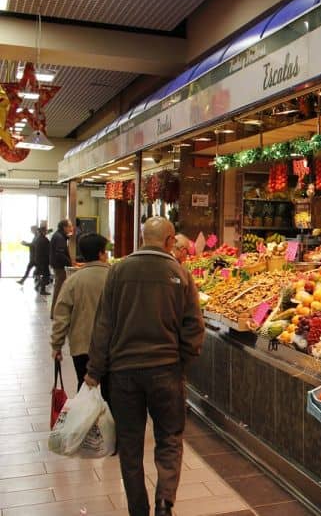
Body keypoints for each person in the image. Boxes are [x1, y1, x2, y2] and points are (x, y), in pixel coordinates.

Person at [86, 216, 205, 516]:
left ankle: (137, 510)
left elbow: (104, 325)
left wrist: (94, 371)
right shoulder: (180, 273)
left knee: (129, 444)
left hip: (124, 374)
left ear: (142, 238)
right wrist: (183, 360)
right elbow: (194, 326)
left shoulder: (118, 271)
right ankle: (165, 501)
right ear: (169, 242)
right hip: (166, 370)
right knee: (169, 438)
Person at [51, 233, 110, 393]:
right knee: (109, 391)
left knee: (84, 387)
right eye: (106, 251)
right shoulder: (115, 277)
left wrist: (57, 345)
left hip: (81, 345)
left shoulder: (73, 281)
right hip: (110, 347)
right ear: (100, 253)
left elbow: (61, 315)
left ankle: (85, 417)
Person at [49, 219, 74, 318]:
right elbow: (59, 254)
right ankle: (55, 313)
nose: (72, 228)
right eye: (70, 226)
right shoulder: (59, 237)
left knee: (59, 288)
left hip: (58, 266)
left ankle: (55, 312)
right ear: (65, 227)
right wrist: (70, 262)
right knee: (58, 289)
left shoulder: (60, 236)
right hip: (59, 267)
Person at [33, 224, 51, 296]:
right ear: (43, 231)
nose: (46, 232)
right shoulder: (44, 240)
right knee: (46, 275)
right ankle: (42, 290)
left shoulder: (38, 239)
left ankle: (37, 286)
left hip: (38, 260)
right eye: (46, 231)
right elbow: (48, 251)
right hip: (44, 260)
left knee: (44, 275)